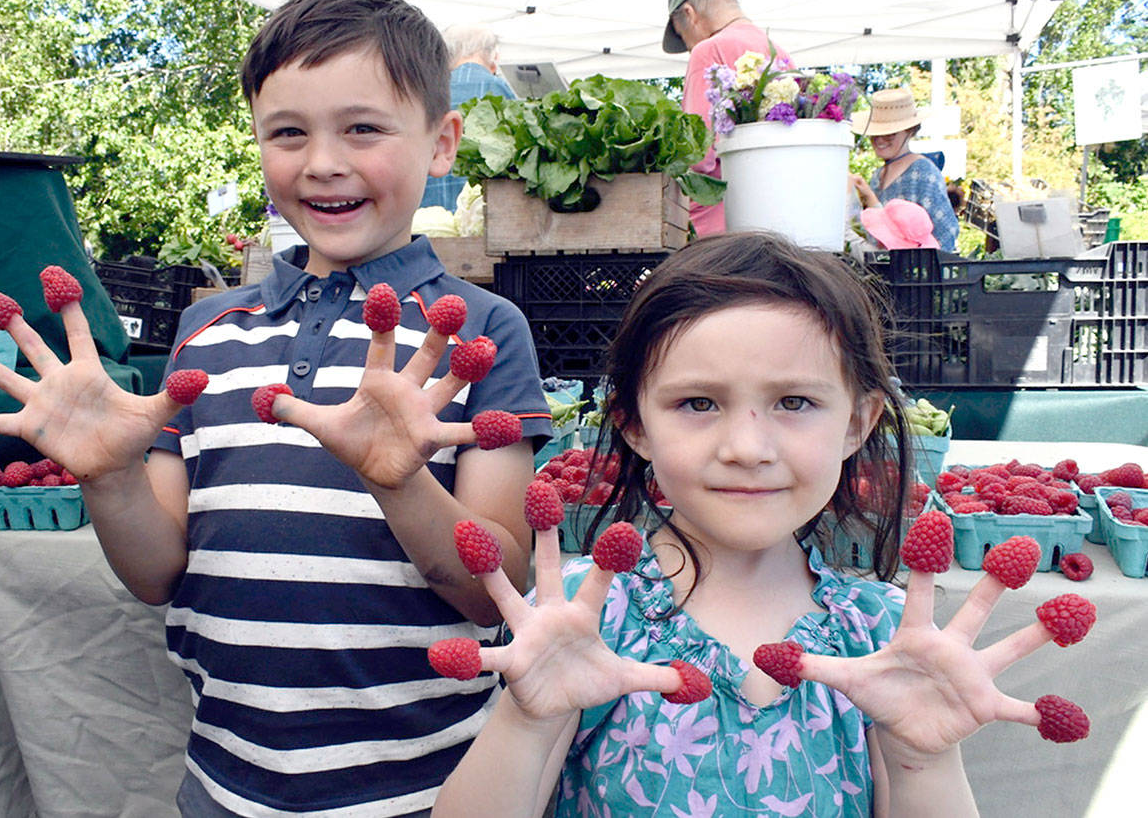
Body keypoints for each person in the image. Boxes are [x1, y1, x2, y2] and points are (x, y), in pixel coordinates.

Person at [0, 0, 552, 817]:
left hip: (429, 787)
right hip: (226, 784)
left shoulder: (476, 334)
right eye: (288, 132)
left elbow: (496, 590)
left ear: (441, 143)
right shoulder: (206, 332)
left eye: (363, 128)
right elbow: (156, 573)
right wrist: (109, 477)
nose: (322, 161)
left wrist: (403, 481)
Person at [432, 232, 1093, 817]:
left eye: (794, 402)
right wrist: (525, 721)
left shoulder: (884, 636)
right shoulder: (587, 618)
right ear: (633, 425)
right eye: (698, 403)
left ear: (857, 423)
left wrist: (925, 759)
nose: (747, 448)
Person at [663, 0, 793, 237]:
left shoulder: (708, 51)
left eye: (683, 36)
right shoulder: (780, 54)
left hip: (721, 227)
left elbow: (698, 156)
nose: (689, 47)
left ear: (689, 13)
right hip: (777, 217)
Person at [420, 24, 518, 211]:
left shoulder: (428, 90)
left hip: (429, 212)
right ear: (491, 55)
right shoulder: (499, 89)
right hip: (479, 211)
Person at [849, 88, 961, 250]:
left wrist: (918, 262)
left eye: (890, 134)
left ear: (909, 131)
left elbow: (946, 232)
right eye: (875, 133)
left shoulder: (923, 172)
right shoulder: (878, 175)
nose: (880, 140)